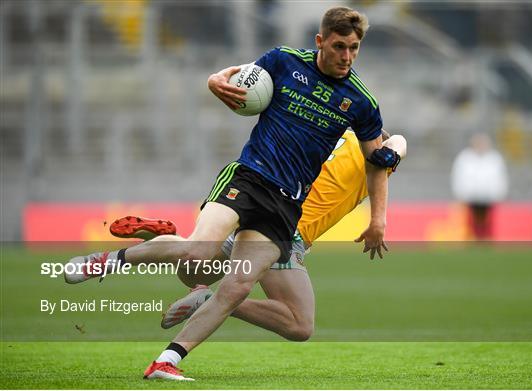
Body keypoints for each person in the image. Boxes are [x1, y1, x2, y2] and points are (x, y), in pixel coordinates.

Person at [64, 7, 396, 381]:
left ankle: (166, 361)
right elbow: (245, 75)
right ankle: (106, 261)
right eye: (339, 47)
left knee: (236, 286)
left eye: (353, 48)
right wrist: (215, 78)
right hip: (249, 178)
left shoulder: (361, 101)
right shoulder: (285, 61)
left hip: (285, 207)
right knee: (198, 252)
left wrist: (378, 220)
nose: (346, 56)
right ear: (320, 42)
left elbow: (377, 160)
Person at [109, 131, 406, 341]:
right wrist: (390, 155)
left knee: (191, 271)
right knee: (299, 324)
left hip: (257, 209)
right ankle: (209, 300)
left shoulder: (327, 135)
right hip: (284, 231)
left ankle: (169, 238)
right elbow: (399, 142)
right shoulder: (376, 157)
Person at [450, 133, 508, 240]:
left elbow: (500, 177)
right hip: (470, 196)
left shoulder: (494, 158)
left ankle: (487, 238)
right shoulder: (465, 157)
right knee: (471, 221)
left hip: (489, 196)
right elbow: (459, 176)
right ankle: (472, 238)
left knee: (488, 221)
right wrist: (461, 193)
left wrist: (498, 193)